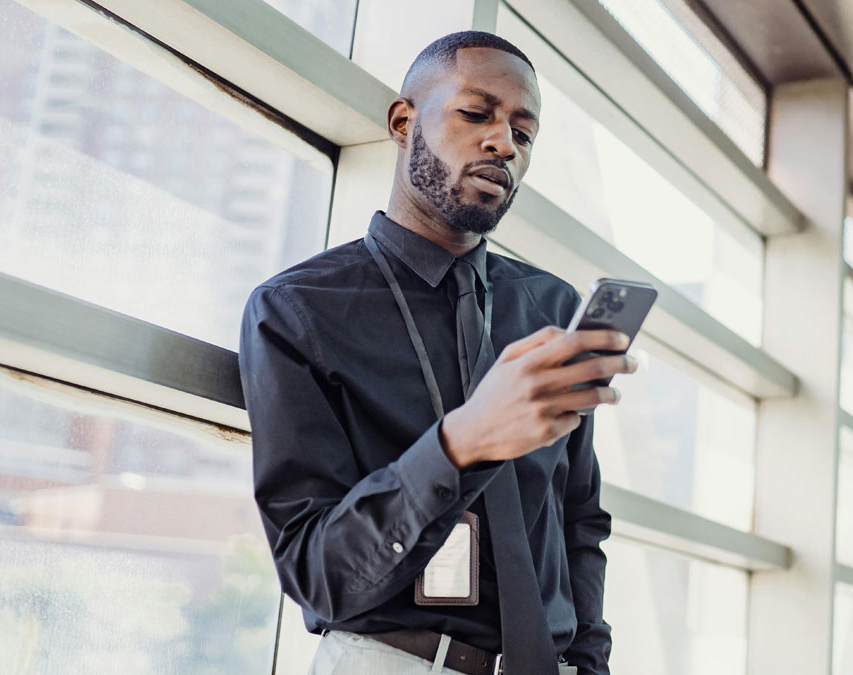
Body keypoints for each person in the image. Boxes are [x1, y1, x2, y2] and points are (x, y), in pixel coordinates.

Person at [239, 30, 637, 675]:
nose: (504, 143)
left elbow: (578, 519)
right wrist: (459, 445)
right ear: (404, 122)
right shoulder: (298, 309)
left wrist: (589, 663)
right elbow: (316, 575)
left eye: (524, 133)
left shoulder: (549, 307)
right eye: (476, 113)